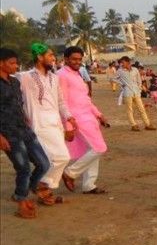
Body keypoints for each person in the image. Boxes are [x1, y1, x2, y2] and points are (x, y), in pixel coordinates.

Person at [19, 43, 77, 205]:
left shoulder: (54, 78)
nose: (53, 58)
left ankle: (44, 189)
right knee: (61, 157)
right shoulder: (25, 77)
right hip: (39, 124)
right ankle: (42, 186)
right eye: (50, 55)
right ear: (39, 57)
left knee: (56, 158)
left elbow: (60, 102)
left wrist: (69, 117)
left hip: (55, 123)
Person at [0, 47, 50, 218]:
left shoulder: (15, 82)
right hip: (8, 134)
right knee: (23, 168)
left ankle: (28, 188)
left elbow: (18, 103)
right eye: (11, 63)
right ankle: (21, 200)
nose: (15, 66)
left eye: (16, 63)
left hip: (24, 129)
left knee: (44, 163)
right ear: (1, 63)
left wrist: (26, 118)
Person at [57, 46, 109, 194]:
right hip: (76, 119)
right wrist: (67, 126)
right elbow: (62, 102)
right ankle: (70, 173)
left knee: (91, 150)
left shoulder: (78, 74)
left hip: (89, 117)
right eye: (74, 59)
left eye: (79, 59)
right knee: (99, 148)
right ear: (66, 59)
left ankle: (89, 184)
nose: (77, 62)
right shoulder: (61, 75)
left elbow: (85, 99)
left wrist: (99, 114)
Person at [116, 56, 155, 132]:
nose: (122, 64)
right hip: (127, 93)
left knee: (141, 109)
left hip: (136, 92)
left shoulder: (135, 70)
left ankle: (147, 124)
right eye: (121, 63)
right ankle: (133, 125)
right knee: (130, 110)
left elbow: (139, 80)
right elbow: (112, 78)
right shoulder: (120, 71)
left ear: (128, 62)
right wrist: (122, 84)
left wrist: (139, 89)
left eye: (123, 62)